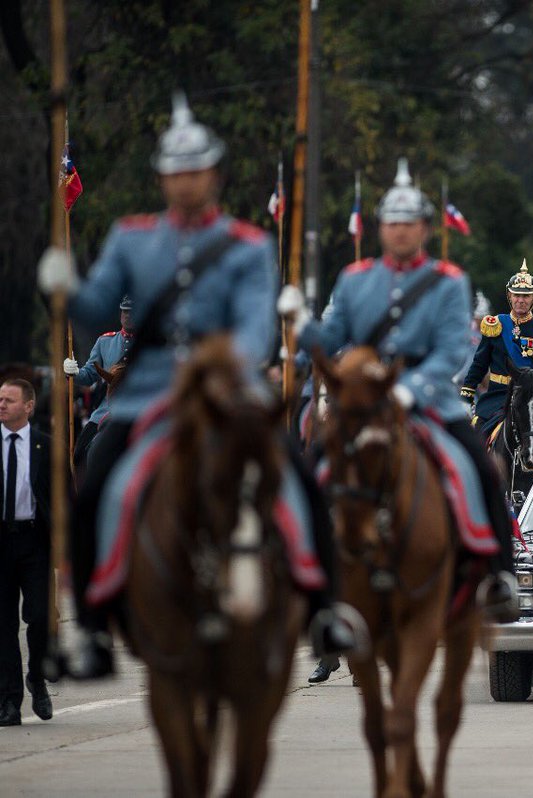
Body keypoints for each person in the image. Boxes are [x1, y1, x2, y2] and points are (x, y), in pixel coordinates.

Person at [39, 92, 357, 679]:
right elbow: (95, 309)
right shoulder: (131, 238)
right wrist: (64, 288)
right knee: (95, 486)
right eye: (175, 172)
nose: (186, 182)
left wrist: (219, 371)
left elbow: (256, 328)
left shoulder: (248, 244)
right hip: (145, 398)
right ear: (164, 178)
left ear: (213, 174)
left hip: (225, 391)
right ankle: (91, 627)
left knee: (297, 473)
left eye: (196, 171)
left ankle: (322, 607)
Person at [278, 158, 520, 629]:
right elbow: (331, 342)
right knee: (314, 469)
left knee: (482, 468)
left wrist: (410, 391)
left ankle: (499, 576)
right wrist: (299, 324)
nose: (401, 232)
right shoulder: (354, 280)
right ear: (380, 228)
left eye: (409, 224)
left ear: (425, 229)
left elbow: (452, 350)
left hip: (427, 400)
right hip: (362, 401)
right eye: (393, 223)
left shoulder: (449, 281)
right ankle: (306, 577)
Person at [460, 260, 533, 449]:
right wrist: (467, 395)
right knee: (477, 439)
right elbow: (479, 364)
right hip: (498, 397)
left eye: (526, 296)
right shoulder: (496, 325)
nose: (521, 300)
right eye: (517, 295)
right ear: (509, 295)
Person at [0, 379, 52, 725]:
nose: (1, 404)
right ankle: (9, 700)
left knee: (40, 620)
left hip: (34, 541)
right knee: (3, 626)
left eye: (9, 399)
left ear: (28, 406)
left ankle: (38, 677)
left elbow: (63, 502)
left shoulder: (46, 447)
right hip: (1, 543)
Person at [63, 296, 134, 475]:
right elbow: (89, 375)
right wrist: (73, 372)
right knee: (78, 455)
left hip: (137, 407)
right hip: (106, 410)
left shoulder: (148, 344)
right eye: (125, 312)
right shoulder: (105, 342)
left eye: (131, 312)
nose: (127, 316)